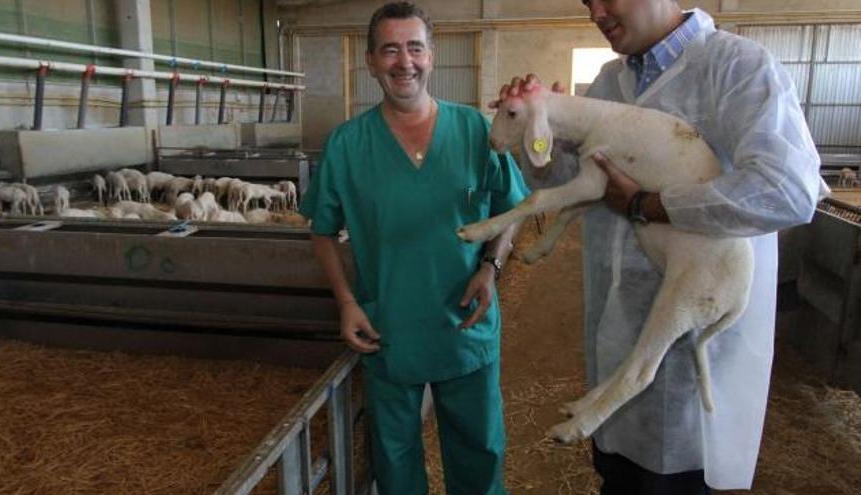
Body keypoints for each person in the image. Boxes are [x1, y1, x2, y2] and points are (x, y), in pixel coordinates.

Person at [497, 0, 823, 493]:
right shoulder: (607, 82)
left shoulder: (737, 68)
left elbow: (788, 191)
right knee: (619, 477)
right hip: (615, 340)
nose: (596, 12)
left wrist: (651, 204)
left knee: (677, 481)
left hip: (694, 364)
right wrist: (534, 132)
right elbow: (575, 181)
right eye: (586, 1)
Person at [298, 2, 528, 494]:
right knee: (396, 460)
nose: (404, 62)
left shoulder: (474, 132)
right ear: (371, 62)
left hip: (464, 325)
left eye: (415, 48)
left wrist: (491, 265)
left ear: (431, 55)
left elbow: (513, 211)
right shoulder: (347, 145)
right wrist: (346, 303)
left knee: (480, 452)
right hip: (389, 329)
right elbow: (321, 230)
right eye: (390, 50)